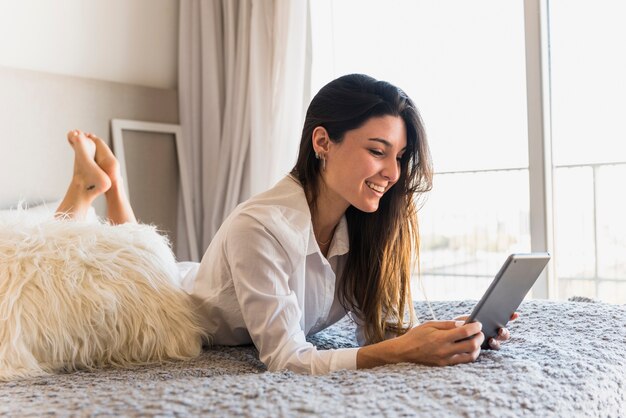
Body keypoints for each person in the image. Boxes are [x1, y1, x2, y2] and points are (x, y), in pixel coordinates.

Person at [58, 74, 515, 376]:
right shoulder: (259, 226)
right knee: (74, 258)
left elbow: (376, 330)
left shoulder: (361, 226)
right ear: (323, 142)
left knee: (138, 248)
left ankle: (111, 184)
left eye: (398, 157)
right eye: (378, 151)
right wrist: (403, 351)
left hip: (189, 276)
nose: (392, 173)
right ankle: (89, 189)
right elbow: (287, 360)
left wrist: (451, 334)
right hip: (170, 307)